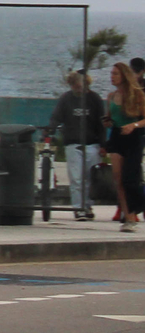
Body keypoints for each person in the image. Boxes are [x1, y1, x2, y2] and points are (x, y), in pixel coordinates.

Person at [47, 69, 107, 220]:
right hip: (73, 143)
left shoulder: (94, 99)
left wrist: (103, 144)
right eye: (76, 87)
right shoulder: (66, 99)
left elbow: (101, 124)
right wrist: (50, 130)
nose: (79, 90)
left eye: (81, 87)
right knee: (76, 178)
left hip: (92, 143)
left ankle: (87, 205)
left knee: (90, 177)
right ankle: (78, 207)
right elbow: (56, 117)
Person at [107, 64, 145, 231]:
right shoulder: (111, 96)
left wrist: (134, 125)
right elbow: (110, 118)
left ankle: (138, 206)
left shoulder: (137, 94)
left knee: (130, 178)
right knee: (118, 179)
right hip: (116, 136)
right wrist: (107, 122)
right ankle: (128, 217)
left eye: (115, 73)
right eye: (111, 73)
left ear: (124, 75)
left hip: (133, 136)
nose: (112, 76)